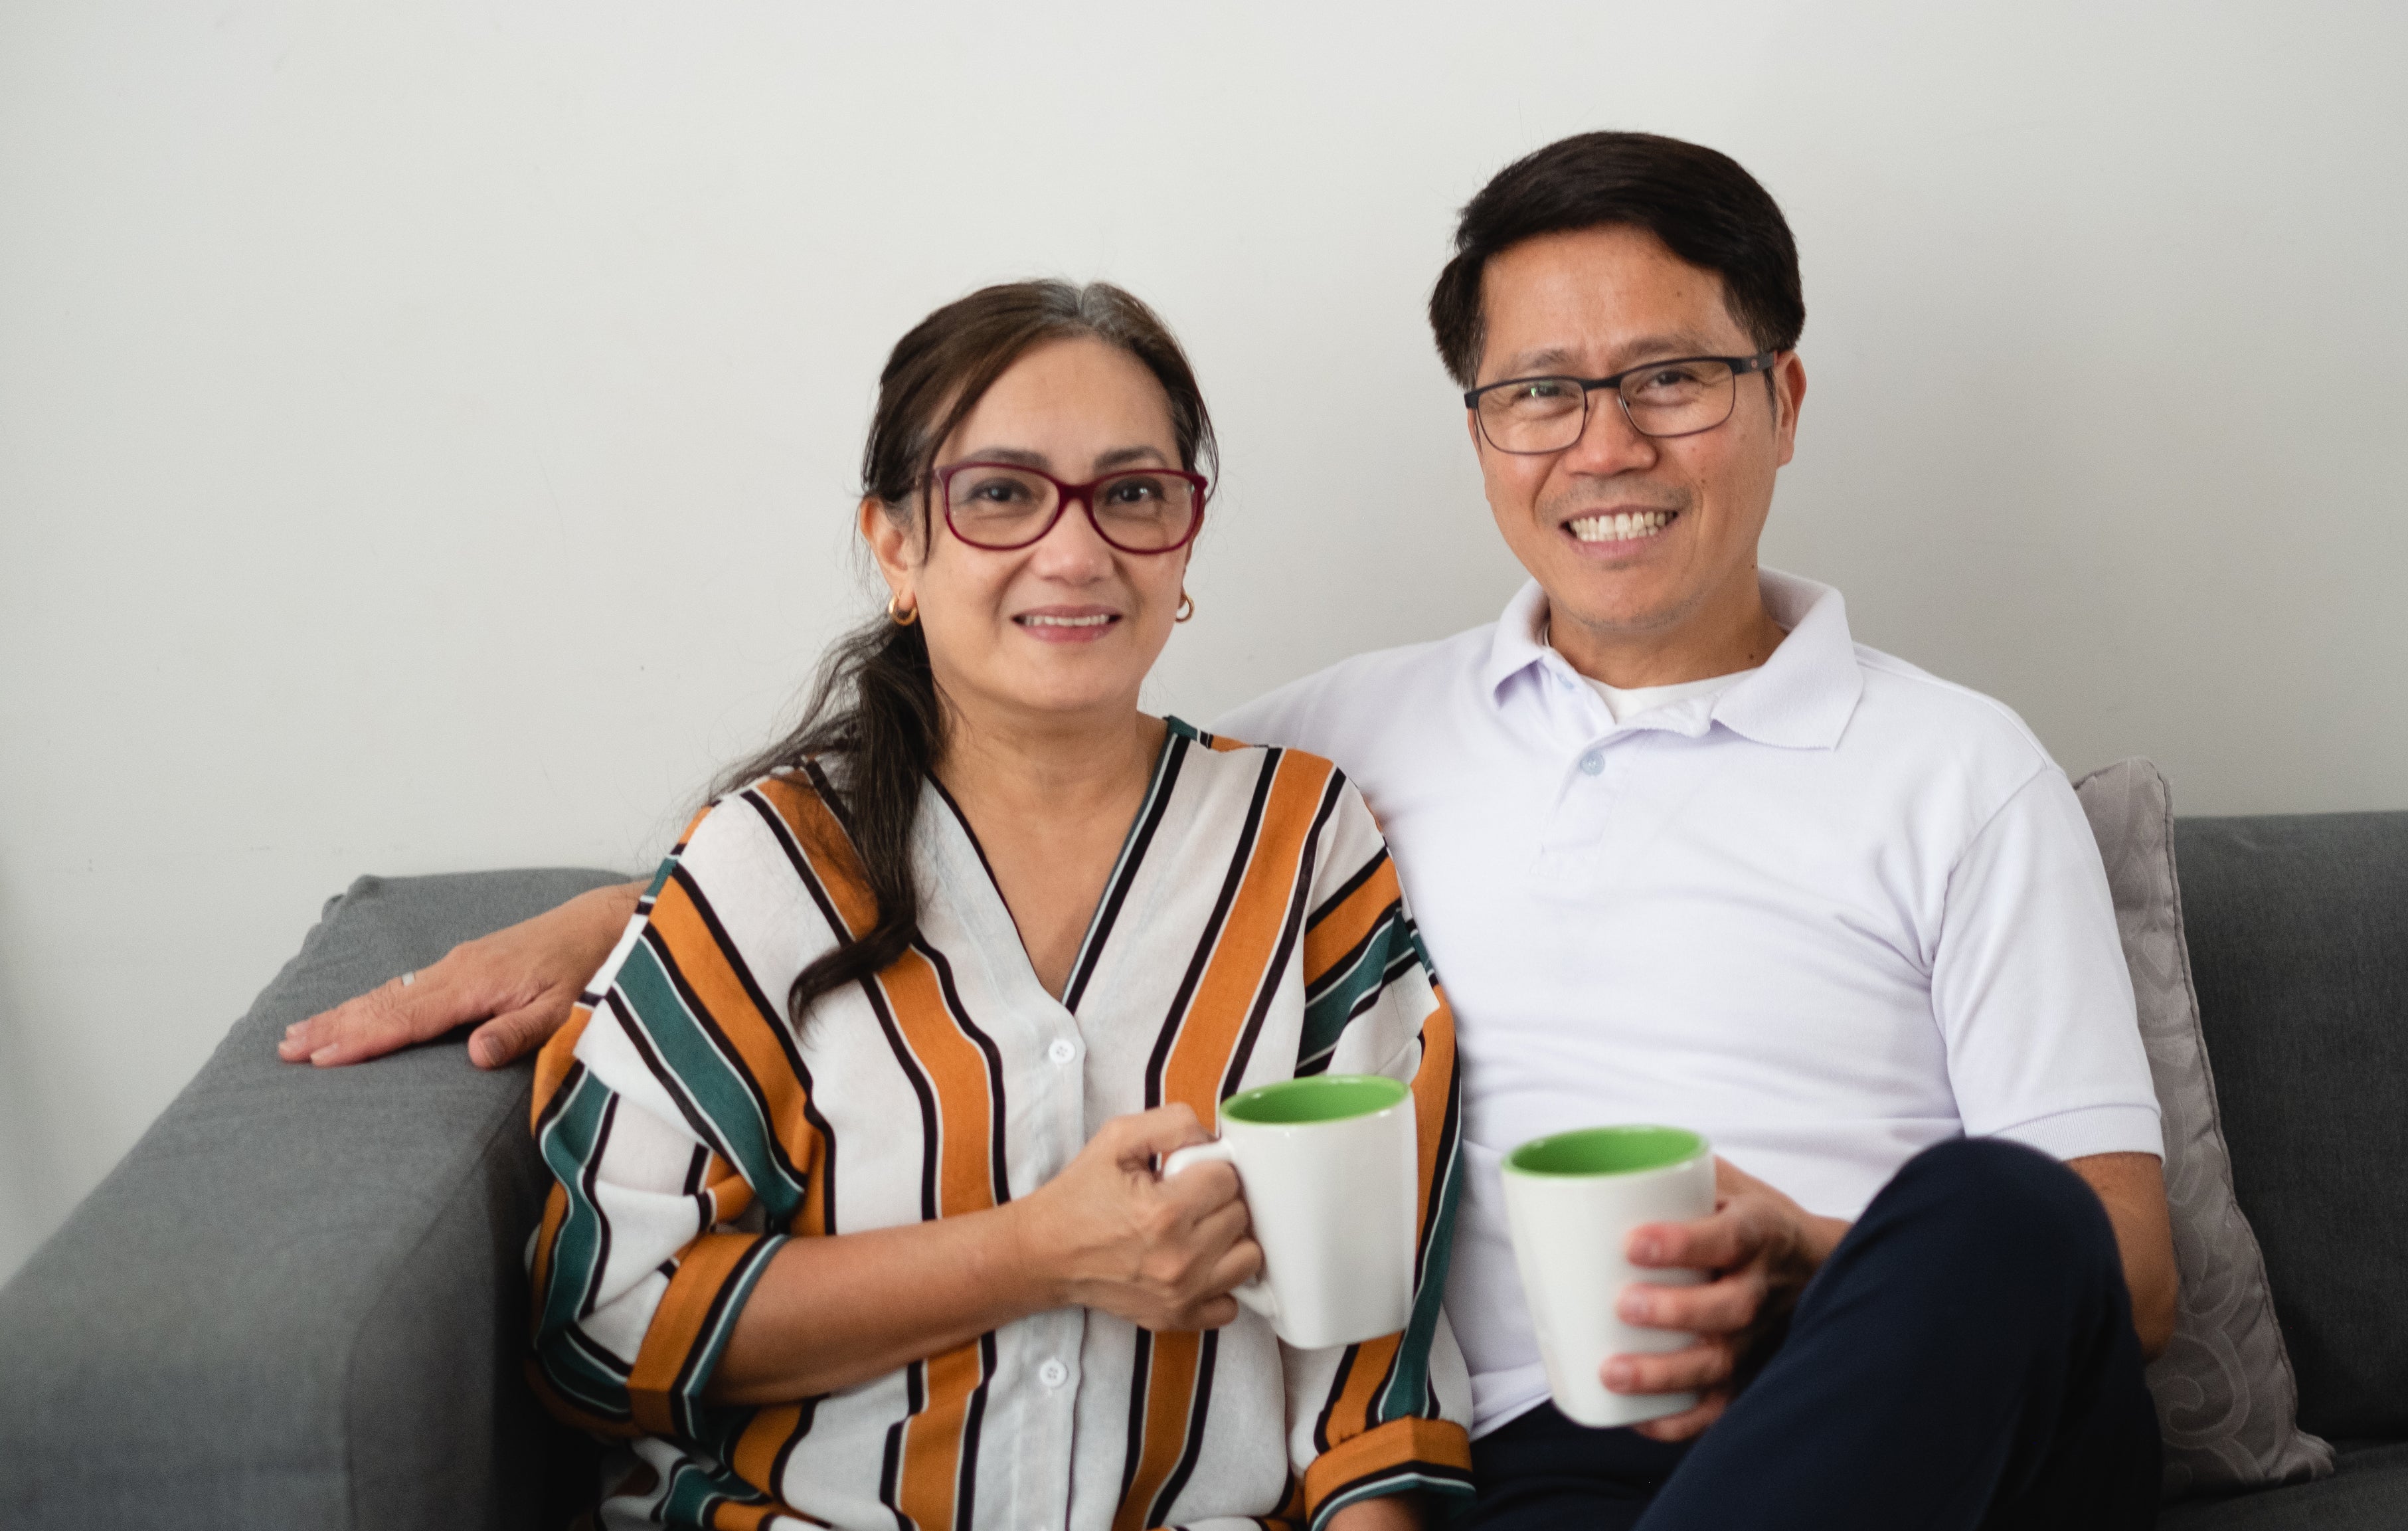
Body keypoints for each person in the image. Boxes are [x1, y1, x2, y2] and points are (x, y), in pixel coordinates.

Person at [287, 134, 2175, 1528]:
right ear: (1483, 433)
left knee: (2001, 1217)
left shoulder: (1954, 767)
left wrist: (1823, 1263)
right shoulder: (1345, 762)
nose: (1607, 442)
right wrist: (642, 906)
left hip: (1899, 1427)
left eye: (1671, 377)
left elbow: (2118, 1277)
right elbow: (1007, 799)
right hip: (1535, 1470)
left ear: (1780, 401)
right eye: (1542, 391)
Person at [512, 280, 1468, 1530]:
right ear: (897, 543)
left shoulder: (1305, 840)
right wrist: (1042, 1251)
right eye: (1002, 493)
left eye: (1132, 494)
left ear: (1183, 539)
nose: (1075, 553)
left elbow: (1370, 1360)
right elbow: (600, 1322)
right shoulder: (770, 863)